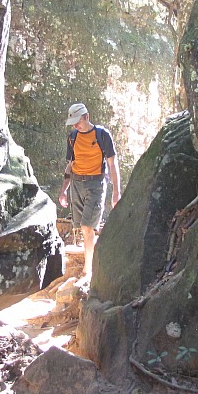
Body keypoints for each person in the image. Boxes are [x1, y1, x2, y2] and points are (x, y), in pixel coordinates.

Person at [58, 103, 120, 277]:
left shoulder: (102, 135)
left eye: (78, 121)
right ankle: (90, 262)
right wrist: (64, 190)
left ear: (87, 116)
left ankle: (88, 270)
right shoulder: (72, 137)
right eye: (73, 122)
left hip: (96, 184)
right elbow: (70, 165)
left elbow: (112, 163)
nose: (75, 125)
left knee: (87, 227)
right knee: (81, 227)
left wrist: (116, 191)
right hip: (76, 183)